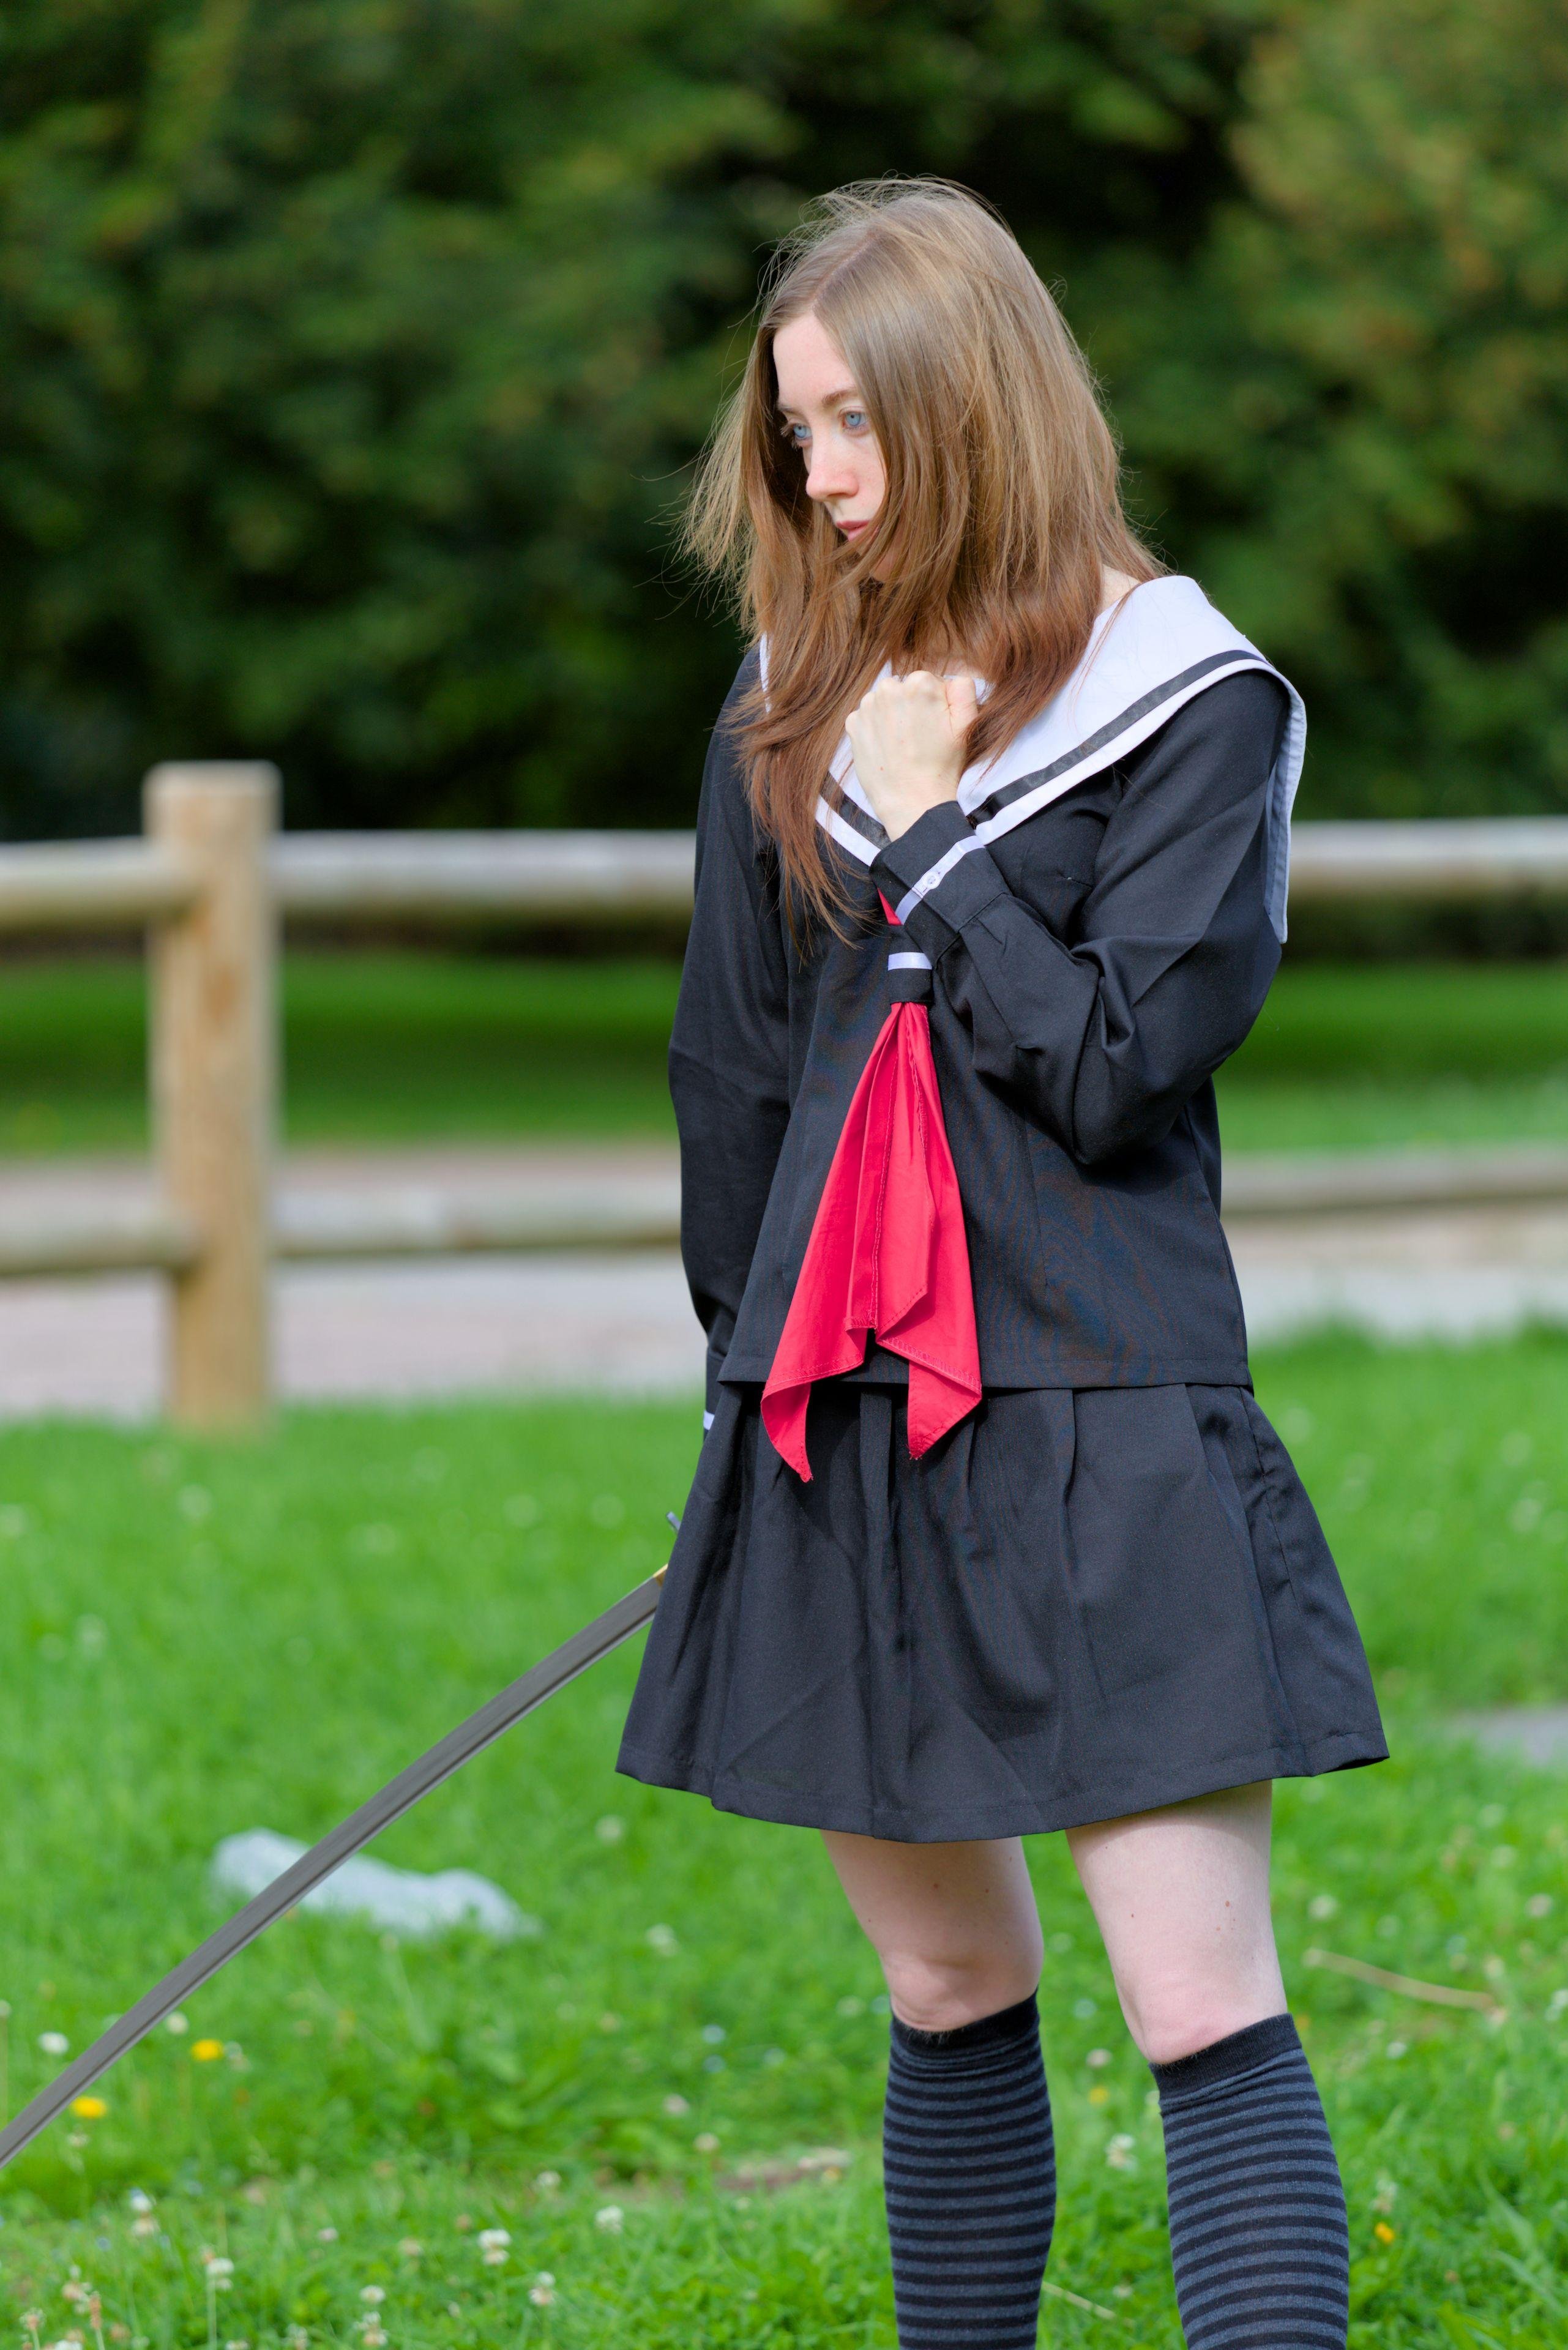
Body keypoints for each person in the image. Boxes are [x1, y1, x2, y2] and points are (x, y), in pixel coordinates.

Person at [618, 177, 1384, 2350]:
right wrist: (740, 1399)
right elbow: (731, 1082)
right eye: (795, 432)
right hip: (838, 1419)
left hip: (1103, 1407)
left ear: (973, 403)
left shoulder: (1184, 698)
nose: (819, 479)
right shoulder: (790, 703)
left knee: (1194, 2000)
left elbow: (1119, 1066)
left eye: (853, 421)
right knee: (947, 1980)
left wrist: (940, 837)